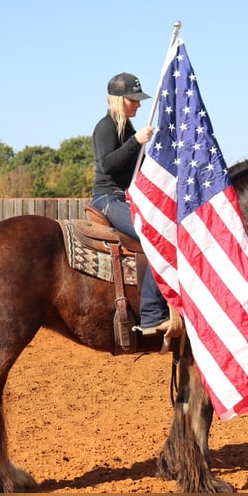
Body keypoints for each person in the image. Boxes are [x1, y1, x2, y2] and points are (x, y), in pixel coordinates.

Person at [91, 72, 170, 334]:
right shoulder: (106, 126)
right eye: (133, 100)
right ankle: (151, 314)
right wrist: (135, 143)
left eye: (138, 100)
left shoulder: (127, 128)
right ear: (118, 100)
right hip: (107, 198)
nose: (138, 104)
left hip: (123, 197)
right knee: (155, 237)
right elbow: (107, 163)